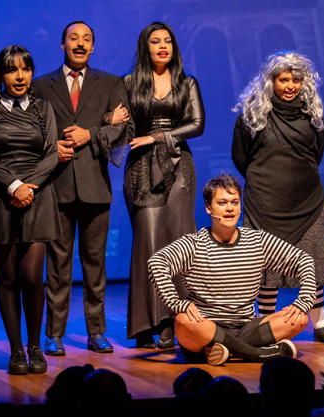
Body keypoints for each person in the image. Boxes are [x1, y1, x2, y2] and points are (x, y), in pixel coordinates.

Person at [32, 20, 134, 356]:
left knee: (95, 266)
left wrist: (91, 133)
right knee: (57, 267)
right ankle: (54, 334)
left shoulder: (109, 83)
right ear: (62, 44)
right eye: (73, 38)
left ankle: (96, 331)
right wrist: (52, 150)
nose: (80, 43)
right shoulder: (41, 85)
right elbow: (29, 130)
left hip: (95, 187)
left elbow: (126, 128)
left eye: (86, 39)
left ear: (93, 47)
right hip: (56, 186)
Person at [147, 174, 315, 365]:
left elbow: (304, 260)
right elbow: (156, 262)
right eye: (222, 202)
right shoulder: (194, 244)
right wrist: (177, 303)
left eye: (235, 202)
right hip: (204, 328)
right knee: (184, 321)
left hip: (247, 327)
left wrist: (305, 299)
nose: (229, 208)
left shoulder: (257, 241)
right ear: (209, 208)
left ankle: (225, 352)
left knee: (299, 318)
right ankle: (258, 354)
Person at [232, 50, 324, 344]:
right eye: (283, 79)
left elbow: (315, 154)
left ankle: (320, 326)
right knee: (267, 268)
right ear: (271, 81)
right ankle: (265, 325)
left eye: (296, 79)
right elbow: (240, 157)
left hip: (307, 199)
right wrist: (265, 180)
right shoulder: (252, 113)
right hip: (264, 201)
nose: (290, 85)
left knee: (312, 264)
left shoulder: (312, 114)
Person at [0, 45, 60, 375]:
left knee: (31, 276)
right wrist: (13, 186)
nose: (19, 76)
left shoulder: (44, 108)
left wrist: (29, 187)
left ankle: (36, 346)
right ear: (1, 75)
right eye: (12, 70)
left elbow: (51, 153)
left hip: (37, 195)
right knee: (8, 277)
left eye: (25, 69)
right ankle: (16, 351)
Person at [123, 21, 205, 349]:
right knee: (149, 241)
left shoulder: (187, 82)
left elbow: (197, 124)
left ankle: (174, 320)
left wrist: (157, 136)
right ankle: (146, 323)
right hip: (141, 167)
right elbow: (120, 124)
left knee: (179, 241)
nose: (163, 46)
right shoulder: (130, 83)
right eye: (156, 41)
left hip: (178, 166)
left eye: (168, 41)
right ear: (146, 47)